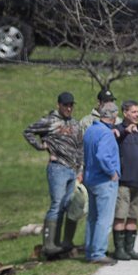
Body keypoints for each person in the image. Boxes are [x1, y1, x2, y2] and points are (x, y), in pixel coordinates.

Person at [23, 92, 84, 257]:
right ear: (59, 105)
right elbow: (28, 131)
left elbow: (80, 148)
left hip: (73, 170)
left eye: (71, 105)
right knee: (56, 204)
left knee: (69, 205)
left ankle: (64, 243)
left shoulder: (76, 124)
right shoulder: (49, 121)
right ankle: (49, 245)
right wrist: (40, 146)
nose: (69, 108)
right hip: (57, 168)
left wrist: (80, 169)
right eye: (66, 105)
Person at [111, 100, 138, 261]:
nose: (137, 114)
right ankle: (119, 249)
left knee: (134, 215)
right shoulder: (117, 131)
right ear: (125, 113)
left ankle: (130, 248)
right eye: (134, 111)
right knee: (121, 215)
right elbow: (110, 145)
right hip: (123, 182)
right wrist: (124, 133)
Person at [83, 102, 121, 265]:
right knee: (104, 219)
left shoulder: (91, 130)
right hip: (104, 180)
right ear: (112, 117)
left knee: (92, 217)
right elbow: (103, 156)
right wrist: (112, 172)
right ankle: (98, 253)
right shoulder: (106, 134)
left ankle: (90, 250)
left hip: (90, 178)